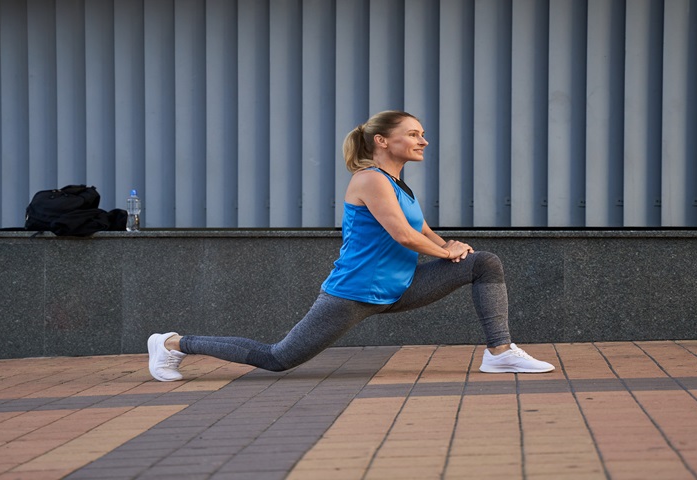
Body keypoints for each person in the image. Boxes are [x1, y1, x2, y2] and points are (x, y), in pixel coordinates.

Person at [148, 110, 554, 382]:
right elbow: (402, 235)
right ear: (382, 140)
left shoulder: (397, 184)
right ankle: (173, 343)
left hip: (399, 286)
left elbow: (421, 227)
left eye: (422, 134)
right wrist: (443, 253)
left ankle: (499, 351)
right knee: (278, 359)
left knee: (482, 263)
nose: (423, 140)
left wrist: (449, 244)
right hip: (354, 292)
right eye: (413, 134)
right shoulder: (369, 179)